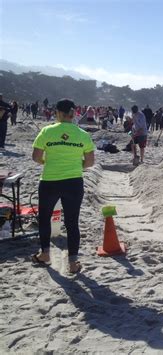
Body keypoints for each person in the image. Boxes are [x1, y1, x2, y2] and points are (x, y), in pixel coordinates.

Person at [31, 98, 95, 274]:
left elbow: (36, 157)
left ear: (58, 113)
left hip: (50, 181)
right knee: (72, 223)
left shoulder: (47, 131)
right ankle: (73, 264)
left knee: (44, 218)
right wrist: (75, 166)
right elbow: (90, 161)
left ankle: (45, 254)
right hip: (74, 182)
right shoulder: (83, 134)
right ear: (73, 113)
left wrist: (49, 162)